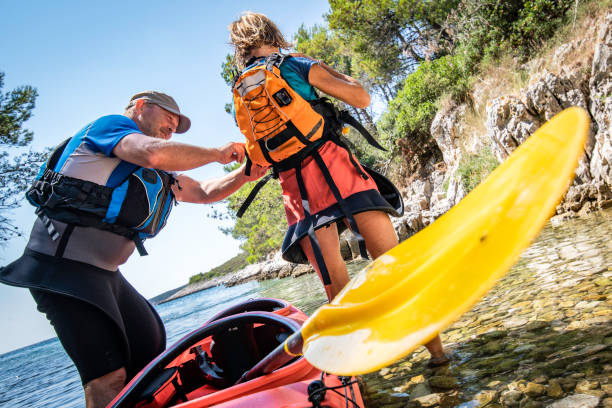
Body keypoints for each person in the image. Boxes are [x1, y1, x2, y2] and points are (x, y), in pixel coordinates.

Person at [0, 90, 267, 407]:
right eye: (169, 118)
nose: (172, 128)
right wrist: (217, 153)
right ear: (141, 107)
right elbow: (151, 153)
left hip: (105, 275)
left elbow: (205, 191)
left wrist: (245, 174)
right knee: (107, 376)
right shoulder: (110, 128)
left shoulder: (162, 172)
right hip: (59, 270)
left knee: (150, 348)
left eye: (177, 126)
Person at [228, 12, 448, 367]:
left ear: (240, 48)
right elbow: (361, 98)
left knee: (338, 294)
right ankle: (438, 356)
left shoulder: (241, 91)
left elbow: (259, 161)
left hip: (298, 195)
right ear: (271, 32)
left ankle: (362, 372)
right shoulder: (294, 64)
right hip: (338, 171)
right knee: (394, 270)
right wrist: (333, 73)